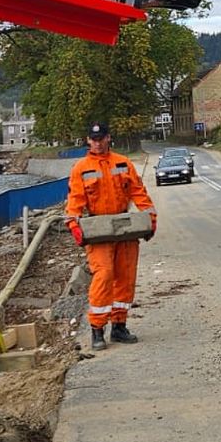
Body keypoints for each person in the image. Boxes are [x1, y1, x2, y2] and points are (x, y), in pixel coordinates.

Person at [65, 121, 157, 351]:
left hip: (124, 227)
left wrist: (150, 219)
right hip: (99, 230)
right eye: (93, 139)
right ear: (88, 140)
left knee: (125, 278)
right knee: (104, 276)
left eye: (100, 138)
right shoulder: (81, 168)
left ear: (108, 138)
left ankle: (119, 326)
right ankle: (97, 330)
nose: (97, 143)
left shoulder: (123, 163)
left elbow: (138, 191)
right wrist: (73, 223)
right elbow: (75, 199)